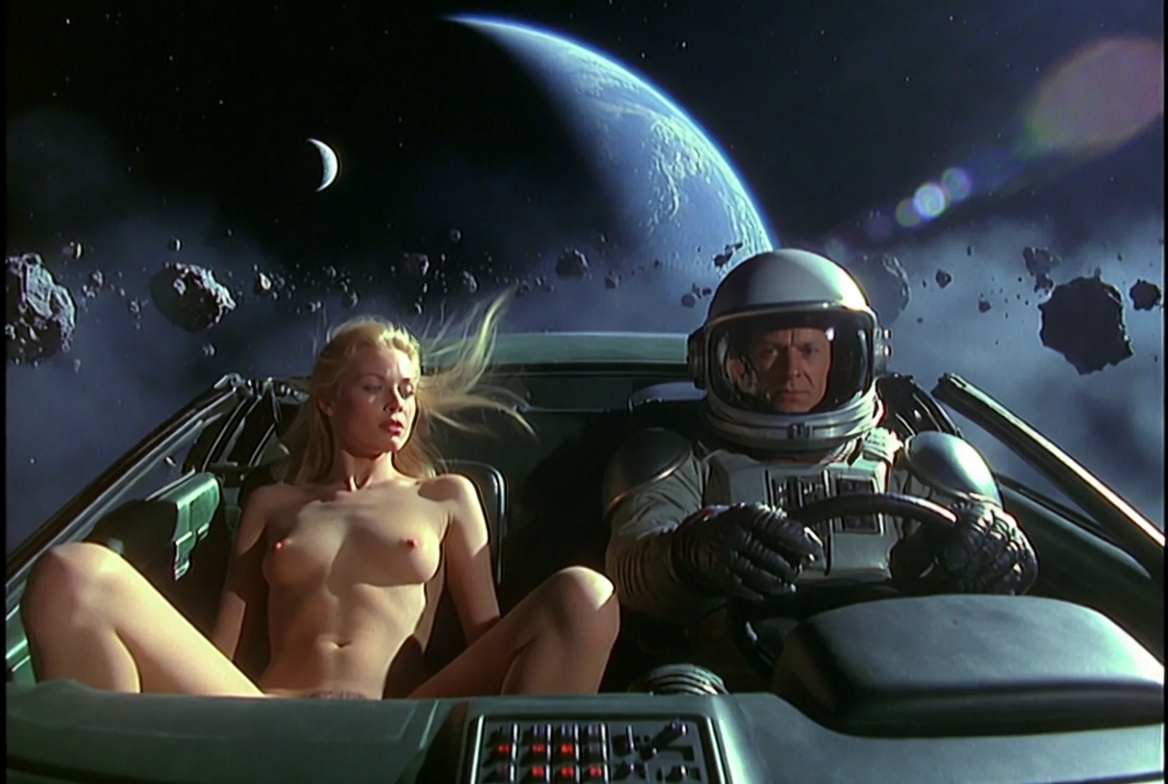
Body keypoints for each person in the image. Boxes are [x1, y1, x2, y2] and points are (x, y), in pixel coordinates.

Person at [24, 293, 620, 699]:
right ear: (329, 401)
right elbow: (224, 650)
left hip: (395, 715)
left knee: (584, 593)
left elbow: (486, 643)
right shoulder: (273, 504)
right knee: (73, 573)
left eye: (407, 391)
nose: (397, 404)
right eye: (374, 387)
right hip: (269, 713)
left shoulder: (446, 497)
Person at [603, 249, 1038, 690]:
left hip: (897, 681)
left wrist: (993, 548)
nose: (792, 370)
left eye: (809, 350)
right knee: (678, 693)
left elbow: (1000, 564)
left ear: (849, 357)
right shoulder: (680, 461)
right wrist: (692, 553)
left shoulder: (916, 464)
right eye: (770, 351)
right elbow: (630, 568)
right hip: (740, 689)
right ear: (732, 362)